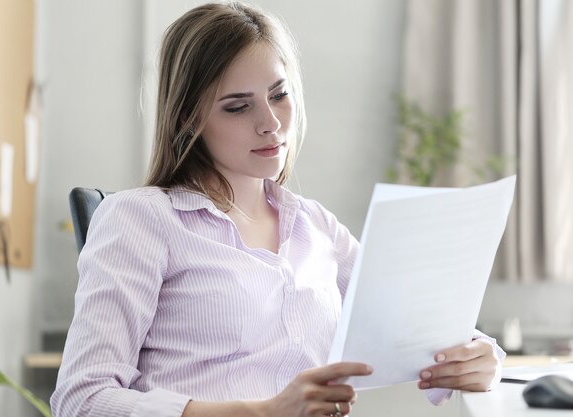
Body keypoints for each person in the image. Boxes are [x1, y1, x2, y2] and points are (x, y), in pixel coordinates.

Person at [51, 2, 504, 417]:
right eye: (237, 107)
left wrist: (478, 357)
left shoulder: (316, 226)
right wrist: (263, 412)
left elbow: (417, 327)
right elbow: (82, 398)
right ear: (189, 117)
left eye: (279, 94)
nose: (270, 123)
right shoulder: (142, 219)